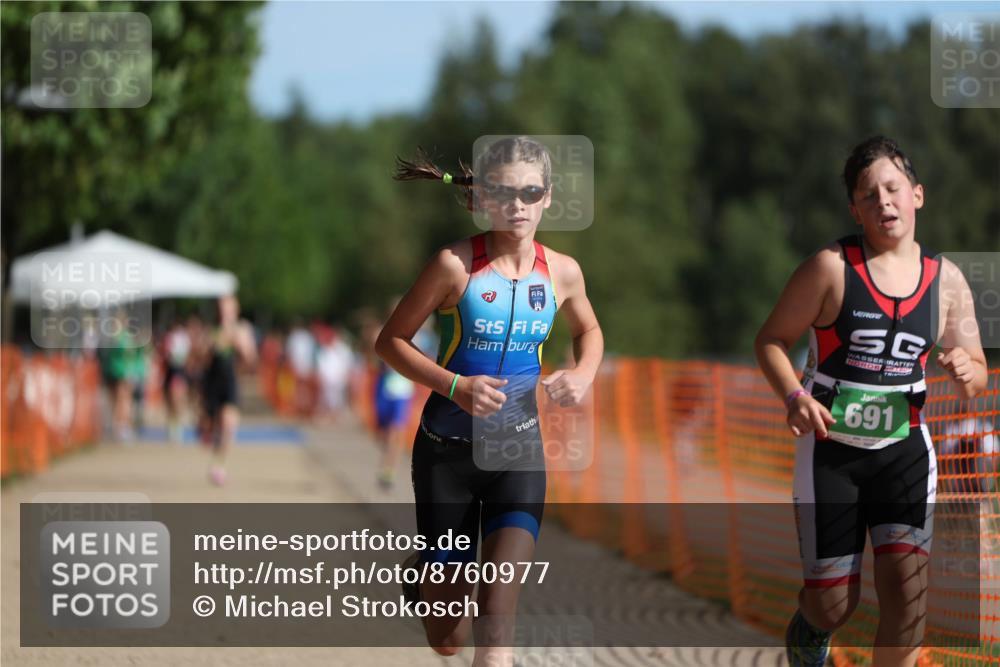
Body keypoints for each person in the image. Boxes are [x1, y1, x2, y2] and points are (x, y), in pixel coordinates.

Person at [755, 136, 988, 667]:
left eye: (893, 188)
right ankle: (810, 630)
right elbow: (769, 340)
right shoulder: (831, 268)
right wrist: (793, 395)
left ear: (917, 195)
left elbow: (976, 374)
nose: (883, 201)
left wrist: (964, 367)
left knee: (908, 595)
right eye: (868, 194)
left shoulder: (946, 281)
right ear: (855, 209)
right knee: (835, 603)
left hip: (905, 452)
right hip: (831, 453)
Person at [376, 136, 603, 666]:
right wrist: (455, 386)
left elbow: (589, 330)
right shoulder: (454, 266)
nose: (517, 204)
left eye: (531, 192)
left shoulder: (563, 272)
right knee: (447, 639)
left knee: (497, 615)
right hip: (446, 457)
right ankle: (428, 577)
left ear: (548, 196)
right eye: (504, 192)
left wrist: (584, 372)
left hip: (517, 456)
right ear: (482, 198)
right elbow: (389, 342)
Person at [199, 295, 257, 486]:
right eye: (222, 307)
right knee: (212, 428)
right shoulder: (212, 331)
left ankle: (219, 466)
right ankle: (207, 432)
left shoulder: (242, 330)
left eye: (229, 307)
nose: (225, 311)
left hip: (230, 382)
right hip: (211, 383)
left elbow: (251, 361)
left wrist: (240, 347)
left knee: (228, 423)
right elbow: (201, 359)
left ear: (235, 309)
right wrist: (210, 346)